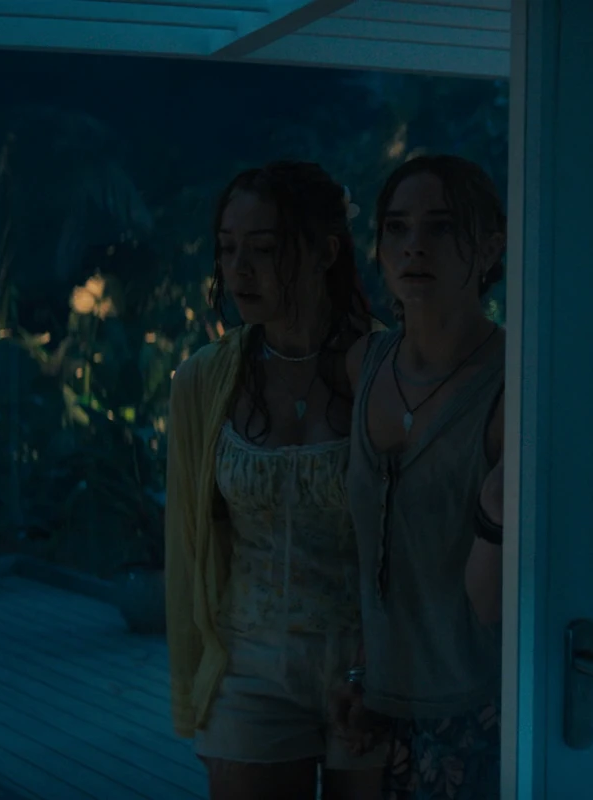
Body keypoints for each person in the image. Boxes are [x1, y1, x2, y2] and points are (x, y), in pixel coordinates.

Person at [164, 160, 385, 800]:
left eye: (263, 249)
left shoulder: (385, 368)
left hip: (374, 658)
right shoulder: (206, 379)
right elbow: (186, 544)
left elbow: (422, 538)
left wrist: (385, 662)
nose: (240, 269)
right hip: (249, 662)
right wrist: (191, 682)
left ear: (325, 253)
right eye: (227, 248)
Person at [334, 154, 508, 800]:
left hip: (473, 713)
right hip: (374, 708)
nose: (414, 246)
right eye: (397, 228)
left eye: (440, 227)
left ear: (491, 246)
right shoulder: (364, 364)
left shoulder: (511, 387)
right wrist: (360, 669)